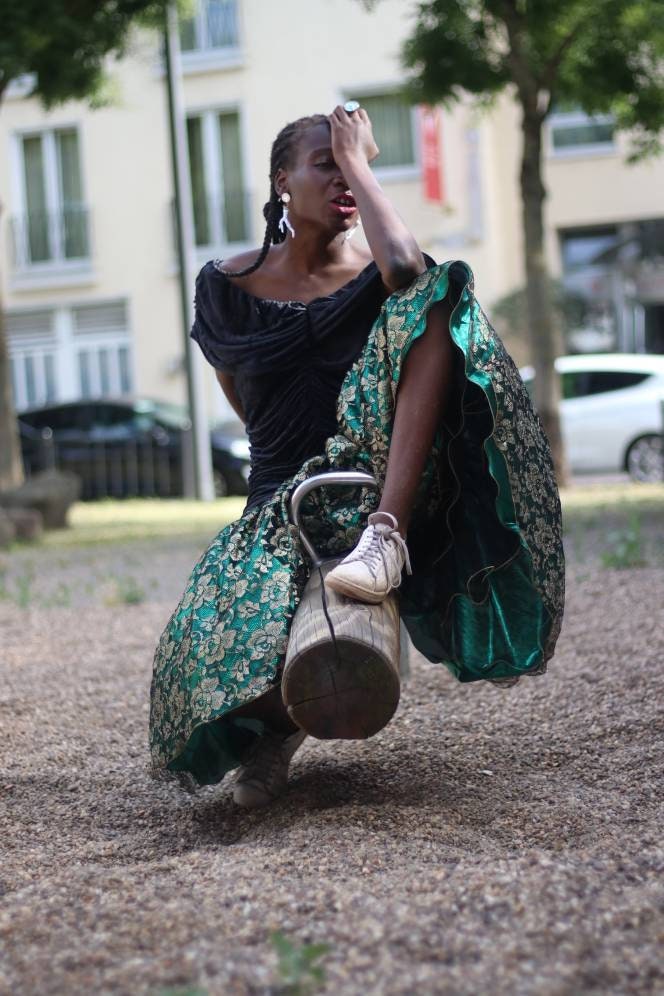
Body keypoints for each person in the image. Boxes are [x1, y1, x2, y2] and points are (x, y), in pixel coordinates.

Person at [149, 103, 565, 807]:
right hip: (283, 497)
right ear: (282, 180)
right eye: (328, 164)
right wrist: (291, 482)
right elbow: (244, 402)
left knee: (440, 288)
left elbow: (405, 265)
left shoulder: (383, 272)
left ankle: (386, 538)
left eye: (356, 165)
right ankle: (276, 732)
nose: (345, 178)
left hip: (380, 483)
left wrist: (361, 164)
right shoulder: (226, 288)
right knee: (207, 656)